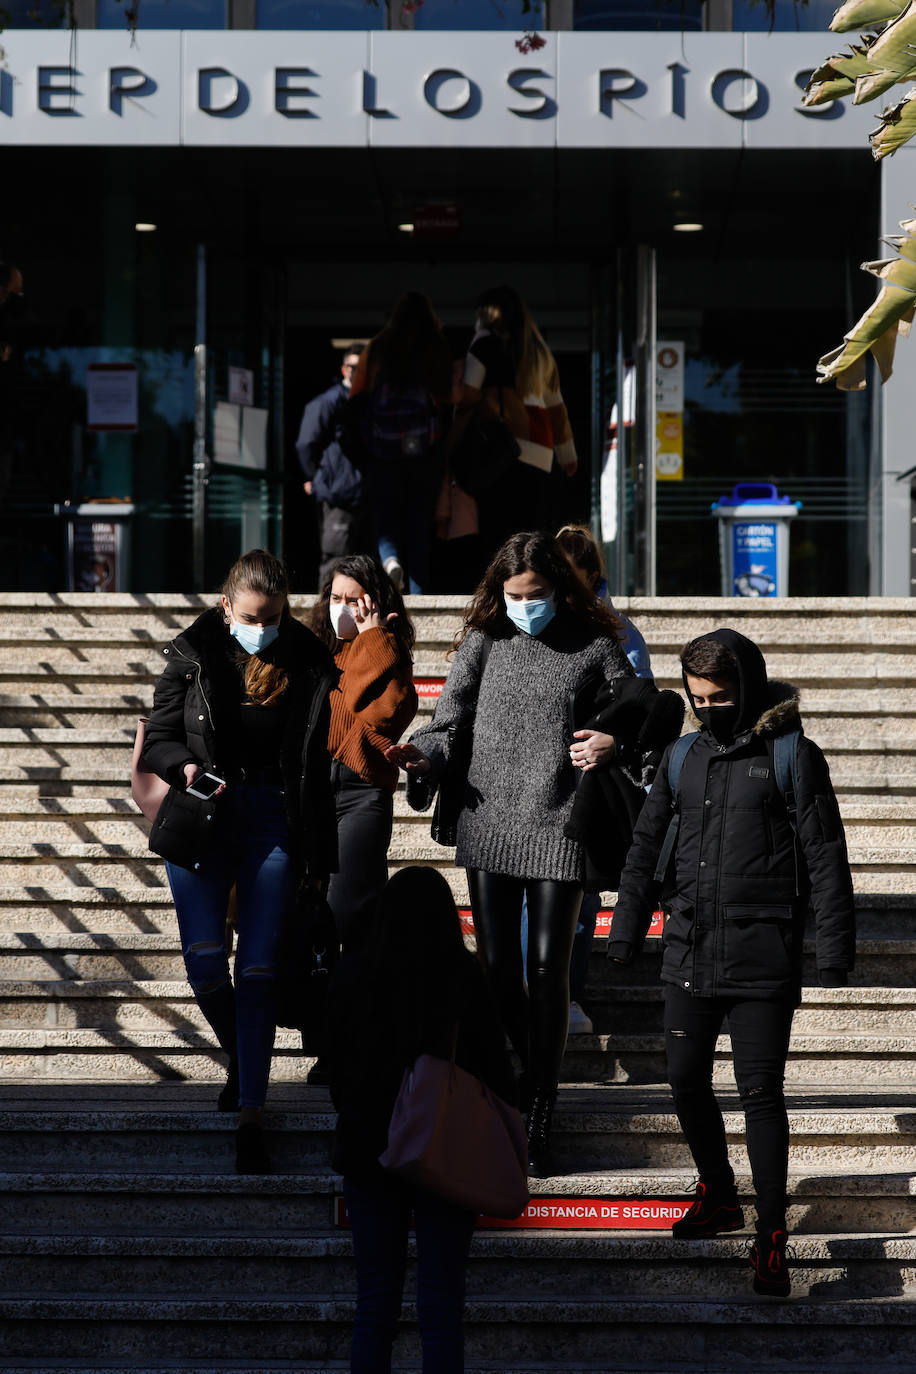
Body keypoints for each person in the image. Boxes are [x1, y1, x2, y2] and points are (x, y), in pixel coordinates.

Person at [607, 628, 856, 1298]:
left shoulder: (790, 755)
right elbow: (646, 845)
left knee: (759, 1094)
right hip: (688, 949)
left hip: (762, 958)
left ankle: (771, 1233)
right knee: (685, 1082)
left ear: (746, 686)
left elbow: (827, 857)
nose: (708, 708)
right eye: (697, 698)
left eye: (720, 696)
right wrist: (626, 931)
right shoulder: (681, 756)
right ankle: (718, 1192)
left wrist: (833, 951)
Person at [386, 530, 641, 1177]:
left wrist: (611, 740)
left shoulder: (594, 642)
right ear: (497, 591)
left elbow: (637, 711)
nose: (525, 604)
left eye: (537, 594)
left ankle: (543, 1106)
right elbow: (448, 722)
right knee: (499, 969)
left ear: (559, 587)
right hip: (487, 820)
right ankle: (522, 1074)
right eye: (514, 594)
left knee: (548, 968)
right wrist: (423, 752)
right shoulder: (484, 640)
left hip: (560, 821)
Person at [141, 549, 338, 1174]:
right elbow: (161, 737)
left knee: (256, 969)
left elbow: (318, 764)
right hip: (204, 815)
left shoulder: (307, 658)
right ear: (228, 606)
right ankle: (244, 1059)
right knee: (204, 962)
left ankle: (252, 1111)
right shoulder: (191, 653)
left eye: (276, 615)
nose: (265, 626)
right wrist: (184, 767)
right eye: (254, 615)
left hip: (272, 817)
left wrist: (319, 852)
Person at [327, 866, 516, 1374]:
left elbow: (334, 1071)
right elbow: (498, 1074)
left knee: (375, 1305)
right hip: (446, 1150)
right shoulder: (463, 975)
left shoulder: (353, 975)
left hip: (369, 1151)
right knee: (441, 1306)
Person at [553, 522, 656, 1031]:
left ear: (592, 578)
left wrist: (616, 743)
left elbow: (644, 708)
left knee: (580, 893)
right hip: (537, 782)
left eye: (573, 579)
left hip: (589, 783)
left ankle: (566, 993)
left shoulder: (618, 634)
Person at [307, 553, 418, 954]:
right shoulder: (316, 651)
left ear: (374, 603)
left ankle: (355, 1007)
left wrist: (373, 641)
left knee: (349, 911)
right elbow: (340, 709)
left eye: (354, 600)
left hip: (362, 793)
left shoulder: (388, 651)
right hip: (312, 791)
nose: (342, 608)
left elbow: (381, 714)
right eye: (336, 597)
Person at [456, 285, 577, 560]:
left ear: (484, 314)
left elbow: (470, 394)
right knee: (532, 538)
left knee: (499, 537)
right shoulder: (538, 350)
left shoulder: (484, 343)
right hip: (541, 451)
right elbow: (557, 411)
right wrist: (567, 455)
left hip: (503, 447)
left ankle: (501, 596)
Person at [350, 292, 453, 594]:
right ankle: (419, 594)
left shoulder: (379, 346)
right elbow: (446, 399)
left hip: (383, 450)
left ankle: (390, 559)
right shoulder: (436, 347)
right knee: (419, 523)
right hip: (424, 451)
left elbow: (356, 398)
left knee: (386, 517)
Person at [295, 343, 366, 585]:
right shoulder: (329, 401)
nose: (357, 371)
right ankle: (326, 617)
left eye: (363, 366)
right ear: (344, 369)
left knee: (361, 562)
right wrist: (315, 478)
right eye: (353, 366)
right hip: (338, 493)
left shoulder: (370, 400)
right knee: (336, 560)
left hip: (362, 493)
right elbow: (306, 443)